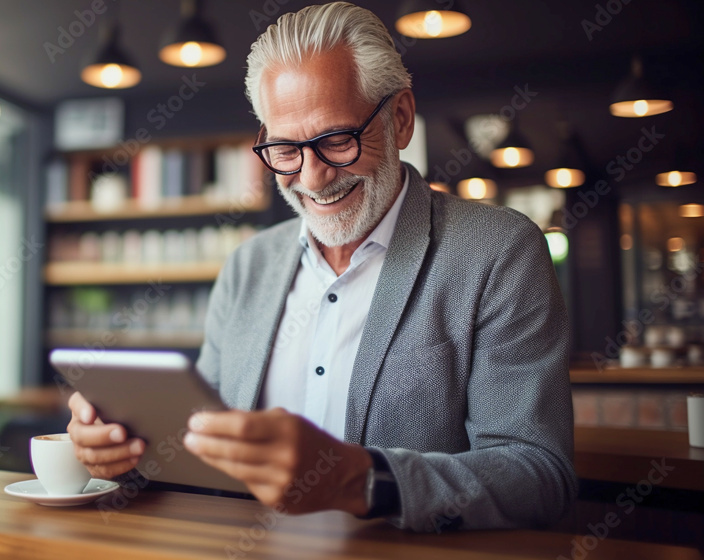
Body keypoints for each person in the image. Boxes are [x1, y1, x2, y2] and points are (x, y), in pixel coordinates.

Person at [68, 2, 576, 532]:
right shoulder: (247, 267)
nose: (311, 179)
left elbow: (539, 477)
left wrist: (360, 480)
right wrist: (126, 458)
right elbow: (204, 450)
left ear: (399, 118)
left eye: (336, 140)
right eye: (285, 149)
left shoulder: (499, 251)